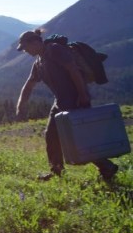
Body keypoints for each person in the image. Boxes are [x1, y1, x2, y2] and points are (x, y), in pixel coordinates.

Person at [15, 29, 118, 181]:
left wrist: (83, 95)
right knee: (51, 136)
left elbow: (73, 70)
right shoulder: (39, 61)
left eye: (26, 47)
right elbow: (29, 84)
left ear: (36, 42)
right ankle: (57, 171)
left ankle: (106, 166)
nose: (26, 51)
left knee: (77, 138)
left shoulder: (55, 50)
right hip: (60, 102)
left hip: (75, 100)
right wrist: (20, 106)